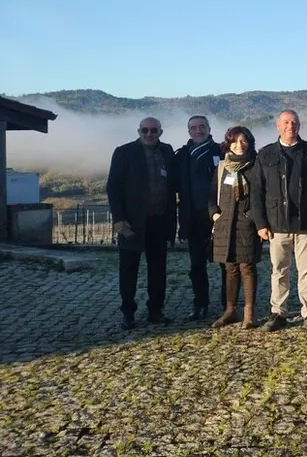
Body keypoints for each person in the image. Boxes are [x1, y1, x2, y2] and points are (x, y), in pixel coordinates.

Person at [251, 109, 307, 332]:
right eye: (285, 122)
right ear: (278, 126)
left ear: (299, 125)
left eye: (294, 122)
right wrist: (261, 224)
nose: (290, 126)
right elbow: (256, 192)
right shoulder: (265, 154)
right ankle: (278, 313)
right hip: (276, 224)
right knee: (279, 270)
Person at [107, 117, 177, 329]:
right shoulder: (124, 152)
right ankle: (128, 312)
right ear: (139, 131)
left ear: (160, 132)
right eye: (145, 130)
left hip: (159, 220)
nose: (149, 134)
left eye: (153, 130)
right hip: (132, 223)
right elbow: (113, 187)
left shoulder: (167, 151)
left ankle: (156, 310)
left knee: (158, 269)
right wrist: (118, 218)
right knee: (128, 270)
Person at [208, 126, 262, 329]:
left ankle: (249, 311)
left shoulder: (256, 165)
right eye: (235, 141)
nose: (240, 145)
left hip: (246, 223)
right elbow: (212, 194)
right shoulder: (222, 167)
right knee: (229, 267)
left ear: (249, 143)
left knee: (247, 267)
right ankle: (230, 310)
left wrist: (253, 217)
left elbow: (261, 195)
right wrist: (214, 213)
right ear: (228, 143)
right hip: (224, 223)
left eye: (244, 141)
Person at [174, 115, 225, 321]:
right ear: (188, 131)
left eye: (201, 127)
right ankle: (200, 303)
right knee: (196, 266)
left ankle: (227, 304)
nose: (198, 130)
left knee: (225, 263)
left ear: (209, 128)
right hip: (193, 218)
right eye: (193, 127)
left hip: (219, 216)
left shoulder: (221, 151)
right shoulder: (182, 155)